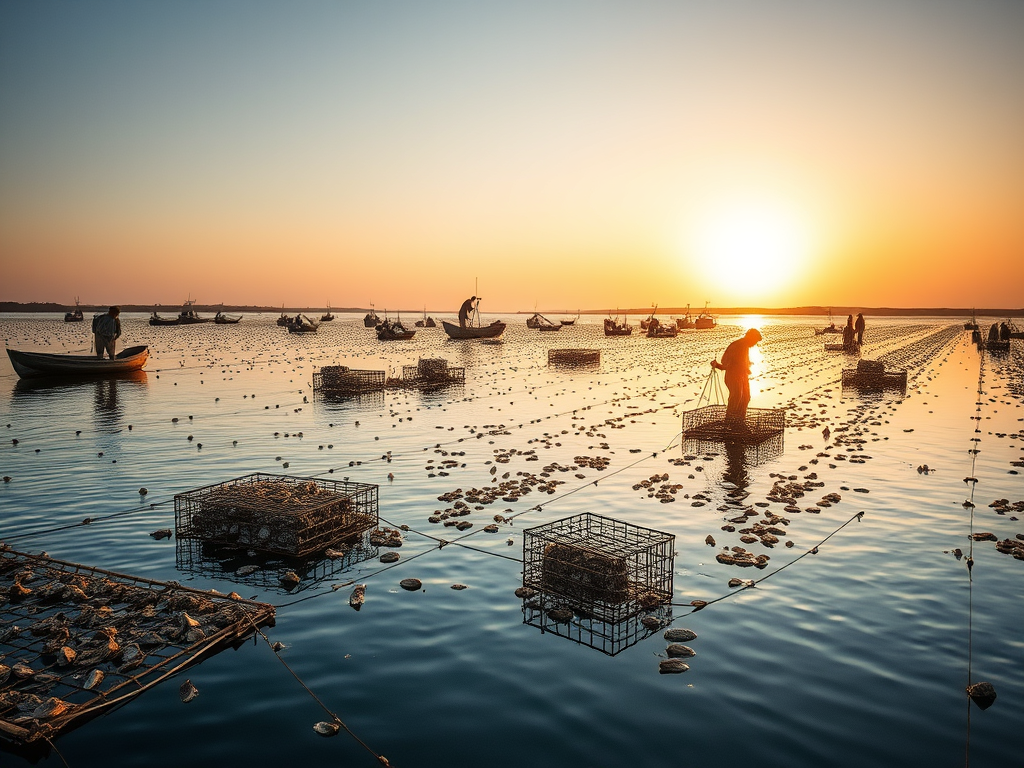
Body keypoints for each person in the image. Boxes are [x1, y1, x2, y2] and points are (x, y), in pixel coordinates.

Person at [711, 328, 762, 427]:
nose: (755, 344)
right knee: (736, 397)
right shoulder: (737, 345)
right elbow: (726, 361)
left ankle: (739, 420)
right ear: (750, 337)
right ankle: (730, 421)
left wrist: (747, 366)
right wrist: (718, 365)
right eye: (755, 341)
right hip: (733, 376)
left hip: (742, 376)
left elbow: (742, 362)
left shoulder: (745, 346)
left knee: (745, 398)